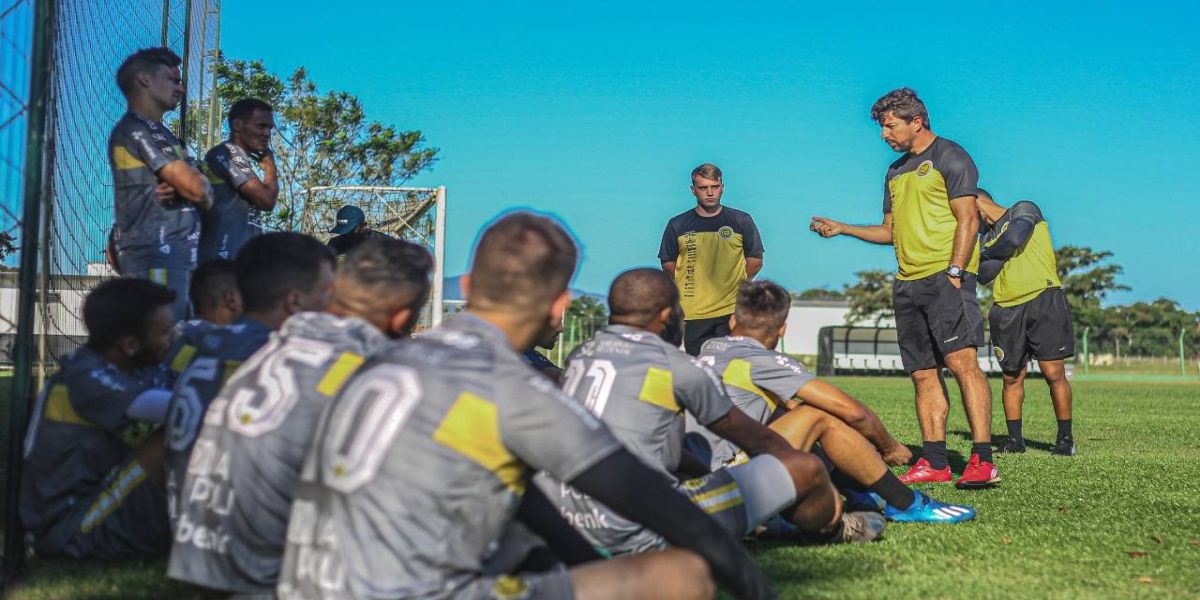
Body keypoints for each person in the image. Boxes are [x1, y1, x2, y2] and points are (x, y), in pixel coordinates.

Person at [278, 212, 777, 600]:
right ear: (561, 305)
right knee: (680, 574)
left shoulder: (388, 358)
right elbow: (659, 505)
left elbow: (527, 504)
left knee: (522, 539)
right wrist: (756, 588)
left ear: (468, 287)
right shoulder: (514, 387)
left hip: (302, 584)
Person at [544, 268, 885, 555]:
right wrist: (806, 481)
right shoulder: (676, 366)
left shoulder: (581, 356)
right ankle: (835, 529)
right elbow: (757, 442)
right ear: (666, 315)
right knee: (803, 469)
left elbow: (665, 446)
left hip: (562, 514)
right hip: (634, 526)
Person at [169, 238, 432, 595]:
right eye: (326, 291)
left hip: (196, 545)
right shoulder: (348, 356)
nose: (331, 302)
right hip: (266, 571)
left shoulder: (252, 343)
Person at [810, 88, 998, 489]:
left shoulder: (952, 155)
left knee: (963, 365)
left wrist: (955, 270)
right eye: (881, 126)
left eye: (889, 125)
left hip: (947, 278)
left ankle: (982, 458)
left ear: (917, 121)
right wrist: (844, 229)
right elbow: (889, 232)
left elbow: (968, 218)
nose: (883, 134)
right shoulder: (894, 171)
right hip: (907, 283)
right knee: (922, 374)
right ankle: (935, 461)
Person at [693, 280, 975, 523]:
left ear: (732, 321)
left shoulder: (709, 350)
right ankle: (905, 503)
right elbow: (853, 412)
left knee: (790, 413)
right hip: (726, 488)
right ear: (782, 330)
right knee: (819, 417)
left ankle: (861, 494)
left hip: (691, 484)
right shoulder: (763, 361)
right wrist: (889, 448)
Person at [164, 232, 335, 524]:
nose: (332, 304)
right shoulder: (286, 357)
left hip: (185, 520)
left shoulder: (199, 344)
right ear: (294, 301)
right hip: (248, 531)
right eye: (326, 292)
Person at [20, 278, 177, 558]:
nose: (174, 338)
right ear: (130, 344)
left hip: (95, 504)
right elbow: (178, 408)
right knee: (179, 431)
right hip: (71, 530)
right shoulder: (85, 376)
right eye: (165, 332)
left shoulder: (124, 366)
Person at [109, 47, 213, 321]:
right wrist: (192, 185)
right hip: (157, 258)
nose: (180, 88)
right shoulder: (138, 129)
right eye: (173, 80)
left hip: (179, 260)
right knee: (162, 346)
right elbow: (199, 189)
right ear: (145, 79)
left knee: (180, 346)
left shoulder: (166, 135)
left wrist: (192, 185)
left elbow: (203, 193)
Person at [976, 190, 1076, 455]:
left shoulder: (1024, 209)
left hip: (1044, 299)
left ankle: (1065, 440)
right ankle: (1015, 441)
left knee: (1053, 373)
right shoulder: (985, 237)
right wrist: (986, 250)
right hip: (1006, 309)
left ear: (977, 203)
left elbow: (1013, 237)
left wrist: (983, 251)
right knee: (1011, 377)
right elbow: (983, 274)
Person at [659, 163, 764, 355]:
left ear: (722, 188)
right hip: (693, 311)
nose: (710, 193)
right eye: (703, 188)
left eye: (714, 187)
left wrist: (739, 283)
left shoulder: (741, 220)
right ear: (693, 190)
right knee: (700, 367)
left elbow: (755, 259)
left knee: (730, 366)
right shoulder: (677, 224)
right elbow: (668, 263)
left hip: (731, 310)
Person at [199, 98, 279, 262]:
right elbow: (266, 200)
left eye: (269, 128)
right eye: (261, 126)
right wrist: (270, 166)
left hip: (241, 260)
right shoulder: (226, 154)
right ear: (237, 125)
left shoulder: (241, 158)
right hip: (222, 261)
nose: (267, 133)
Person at [327, 205, 394, 257]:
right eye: (343, 231)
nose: (347, 235)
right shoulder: (335, 244)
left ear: (363, 226)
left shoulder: (385, 242)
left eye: (350, 230)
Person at [521, 316, 564, 382]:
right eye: (557, 321)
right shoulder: (514, 354)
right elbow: (551, 375)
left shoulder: (533, 354)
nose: (561, 329)